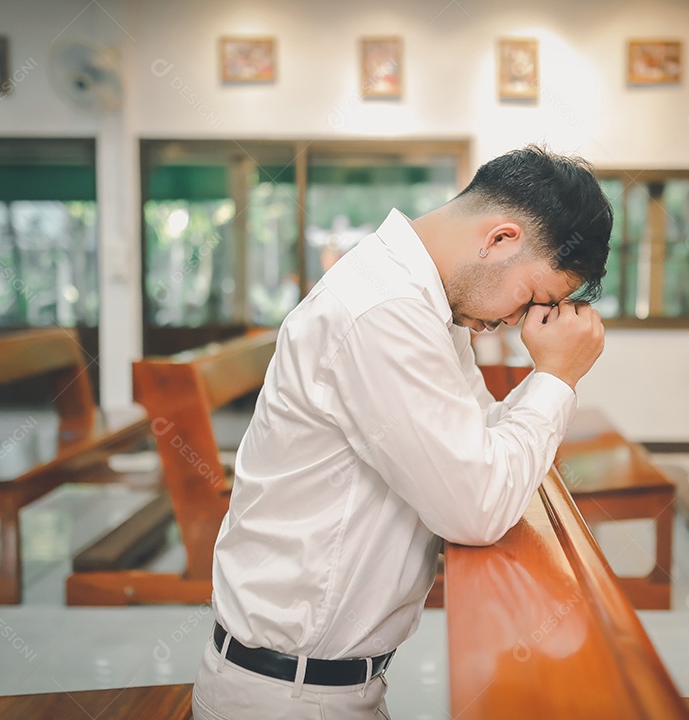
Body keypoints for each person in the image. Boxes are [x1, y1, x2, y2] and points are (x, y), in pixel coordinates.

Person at [192, 145, 613, 720]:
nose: (518, 321)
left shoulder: (424, 301)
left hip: (322, 683)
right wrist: (557, 377)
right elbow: (477, 505)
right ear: (500, 239)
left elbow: (478, 439)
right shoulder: (384, 310)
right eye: (534, 298)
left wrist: (548, 379)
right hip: (288, 697)